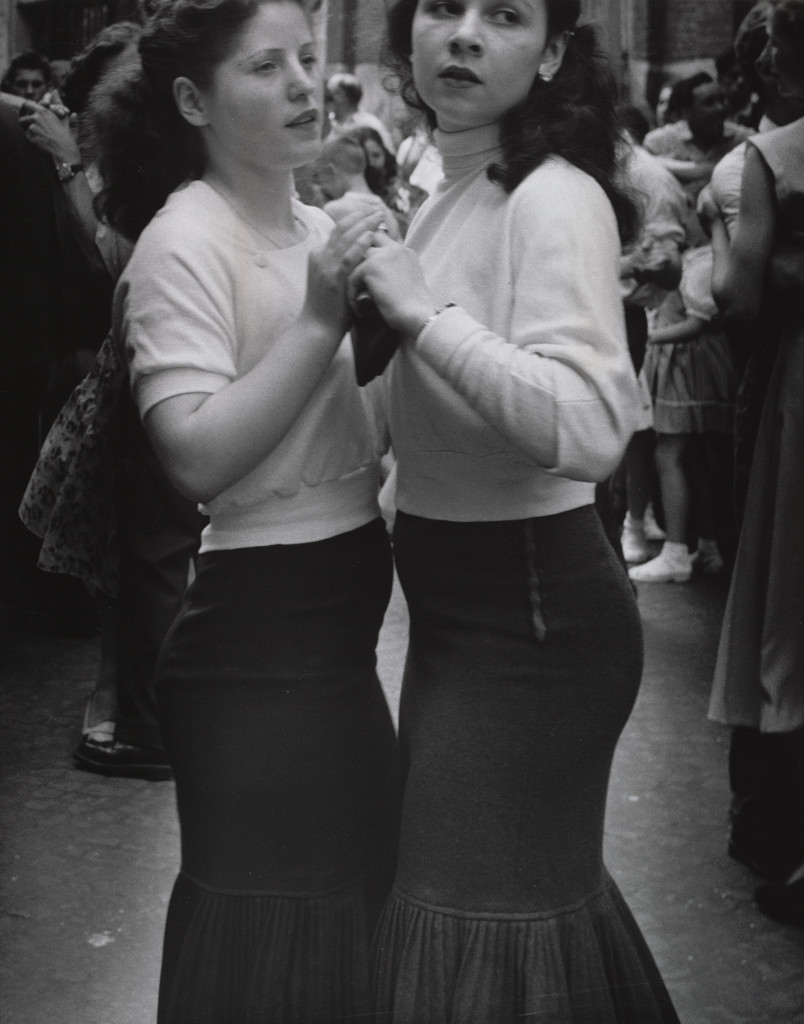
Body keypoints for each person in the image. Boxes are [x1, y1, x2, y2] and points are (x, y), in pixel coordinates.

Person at [349, 0, 681, 1018]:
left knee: (476, 922)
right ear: (406, 34)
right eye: (443, 8)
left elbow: (590, 422)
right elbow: (400, 433)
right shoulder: (446, 194)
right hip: (461, 620)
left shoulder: (553, 196)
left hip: (533, 625)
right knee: (496, 918)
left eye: (504, 15)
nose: (465, 35)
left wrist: (419, 312)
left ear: (554, 55)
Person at [94, 0, 399, 1016]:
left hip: (341, 633)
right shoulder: (183, 242)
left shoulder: (314, 225)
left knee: (342, 926)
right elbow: (194, 454)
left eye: (308, 59)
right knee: (269, 942)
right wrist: (323, 316)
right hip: (256, 645)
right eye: (266, 67)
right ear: (193, 99)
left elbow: (352, 422)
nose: (305, 85)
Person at [707, 0, 804, 929]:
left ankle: (778, 823)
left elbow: (737, 294)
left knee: (784, 601)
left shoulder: (771, 158)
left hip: (793, 390)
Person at [627, 244, 737, 583]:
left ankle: (676, 552)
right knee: (694, 459)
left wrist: (648, 337)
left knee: (668, 454)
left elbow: (696, 324)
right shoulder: (697, 258)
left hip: (687, 365)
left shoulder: (704, 262)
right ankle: (708, 547)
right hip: (688, 363)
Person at [325, 70, 396, 152]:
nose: (327, 100)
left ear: (343, 95)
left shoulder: (370, 124)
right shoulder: (325, 123)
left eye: (330, 94)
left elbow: (387, 156)